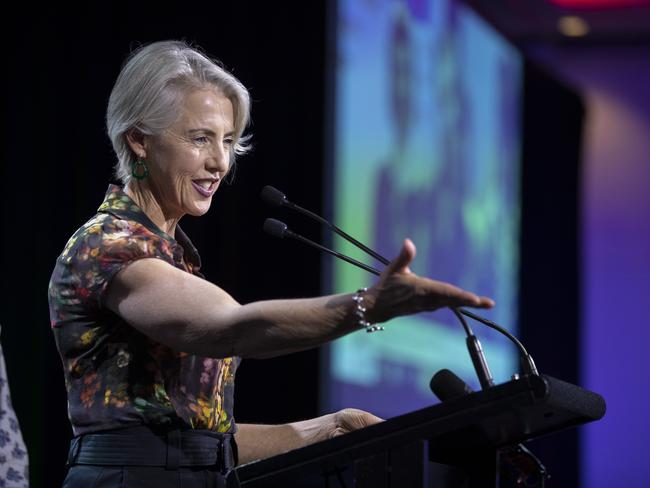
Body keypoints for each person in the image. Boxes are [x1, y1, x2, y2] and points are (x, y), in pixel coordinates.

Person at [48, 40, 494, 487]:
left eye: (227, 141)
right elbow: (233, 328)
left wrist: (329, 428)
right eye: (200, 138)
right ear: (139, 140)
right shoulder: (110, 246)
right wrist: (368, 305)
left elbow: (205, 443)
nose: (220, 162)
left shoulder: (175, 257)